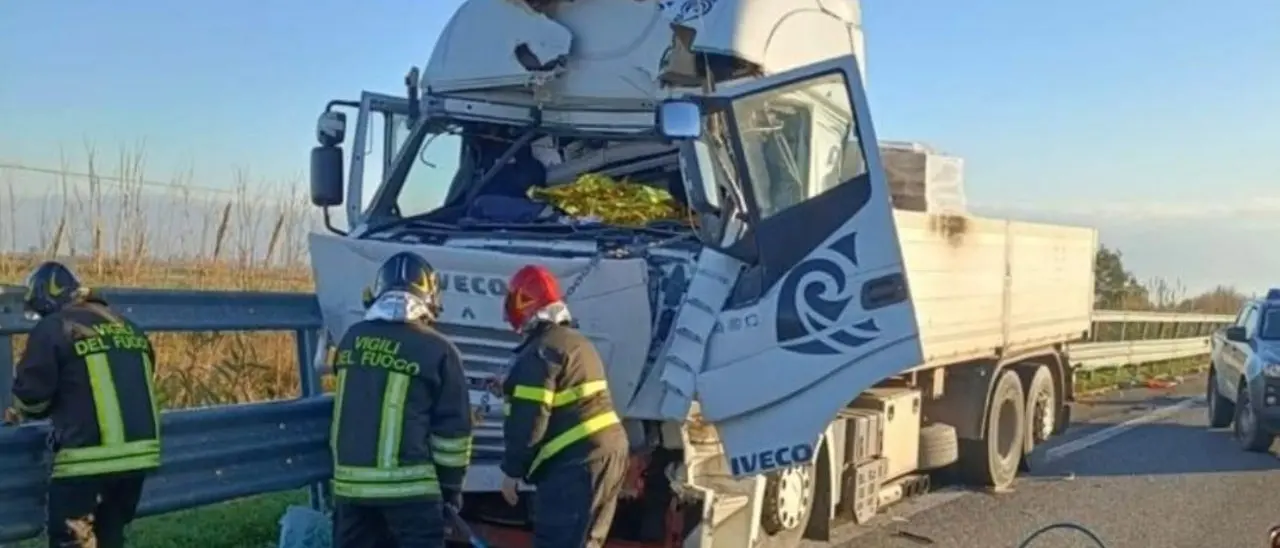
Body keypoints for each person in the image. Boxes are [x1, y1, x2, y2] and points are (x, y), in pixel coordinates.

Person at [3, 261, 161, 548]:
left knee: (72, 541)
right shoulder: (128, 326)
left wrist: (20, 412)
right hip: (140, 457)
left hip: (86, 460)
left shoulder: (55, 327)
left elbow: (32, 398)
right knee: (110, 537)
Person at [329, 251, 473, 548]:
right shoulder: (439, 350)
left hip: (351, 489)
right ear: (430, 299)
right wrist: (450, 491)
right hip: (411, 494)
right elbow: (453, 435)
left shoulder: (352, 339)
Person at [497, 265, 630, 548]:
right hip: (605, 456)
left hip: (574, 467)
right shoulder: (575, 342)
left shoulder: (540, 352)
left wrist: (512, 472)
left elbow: (529, 420)